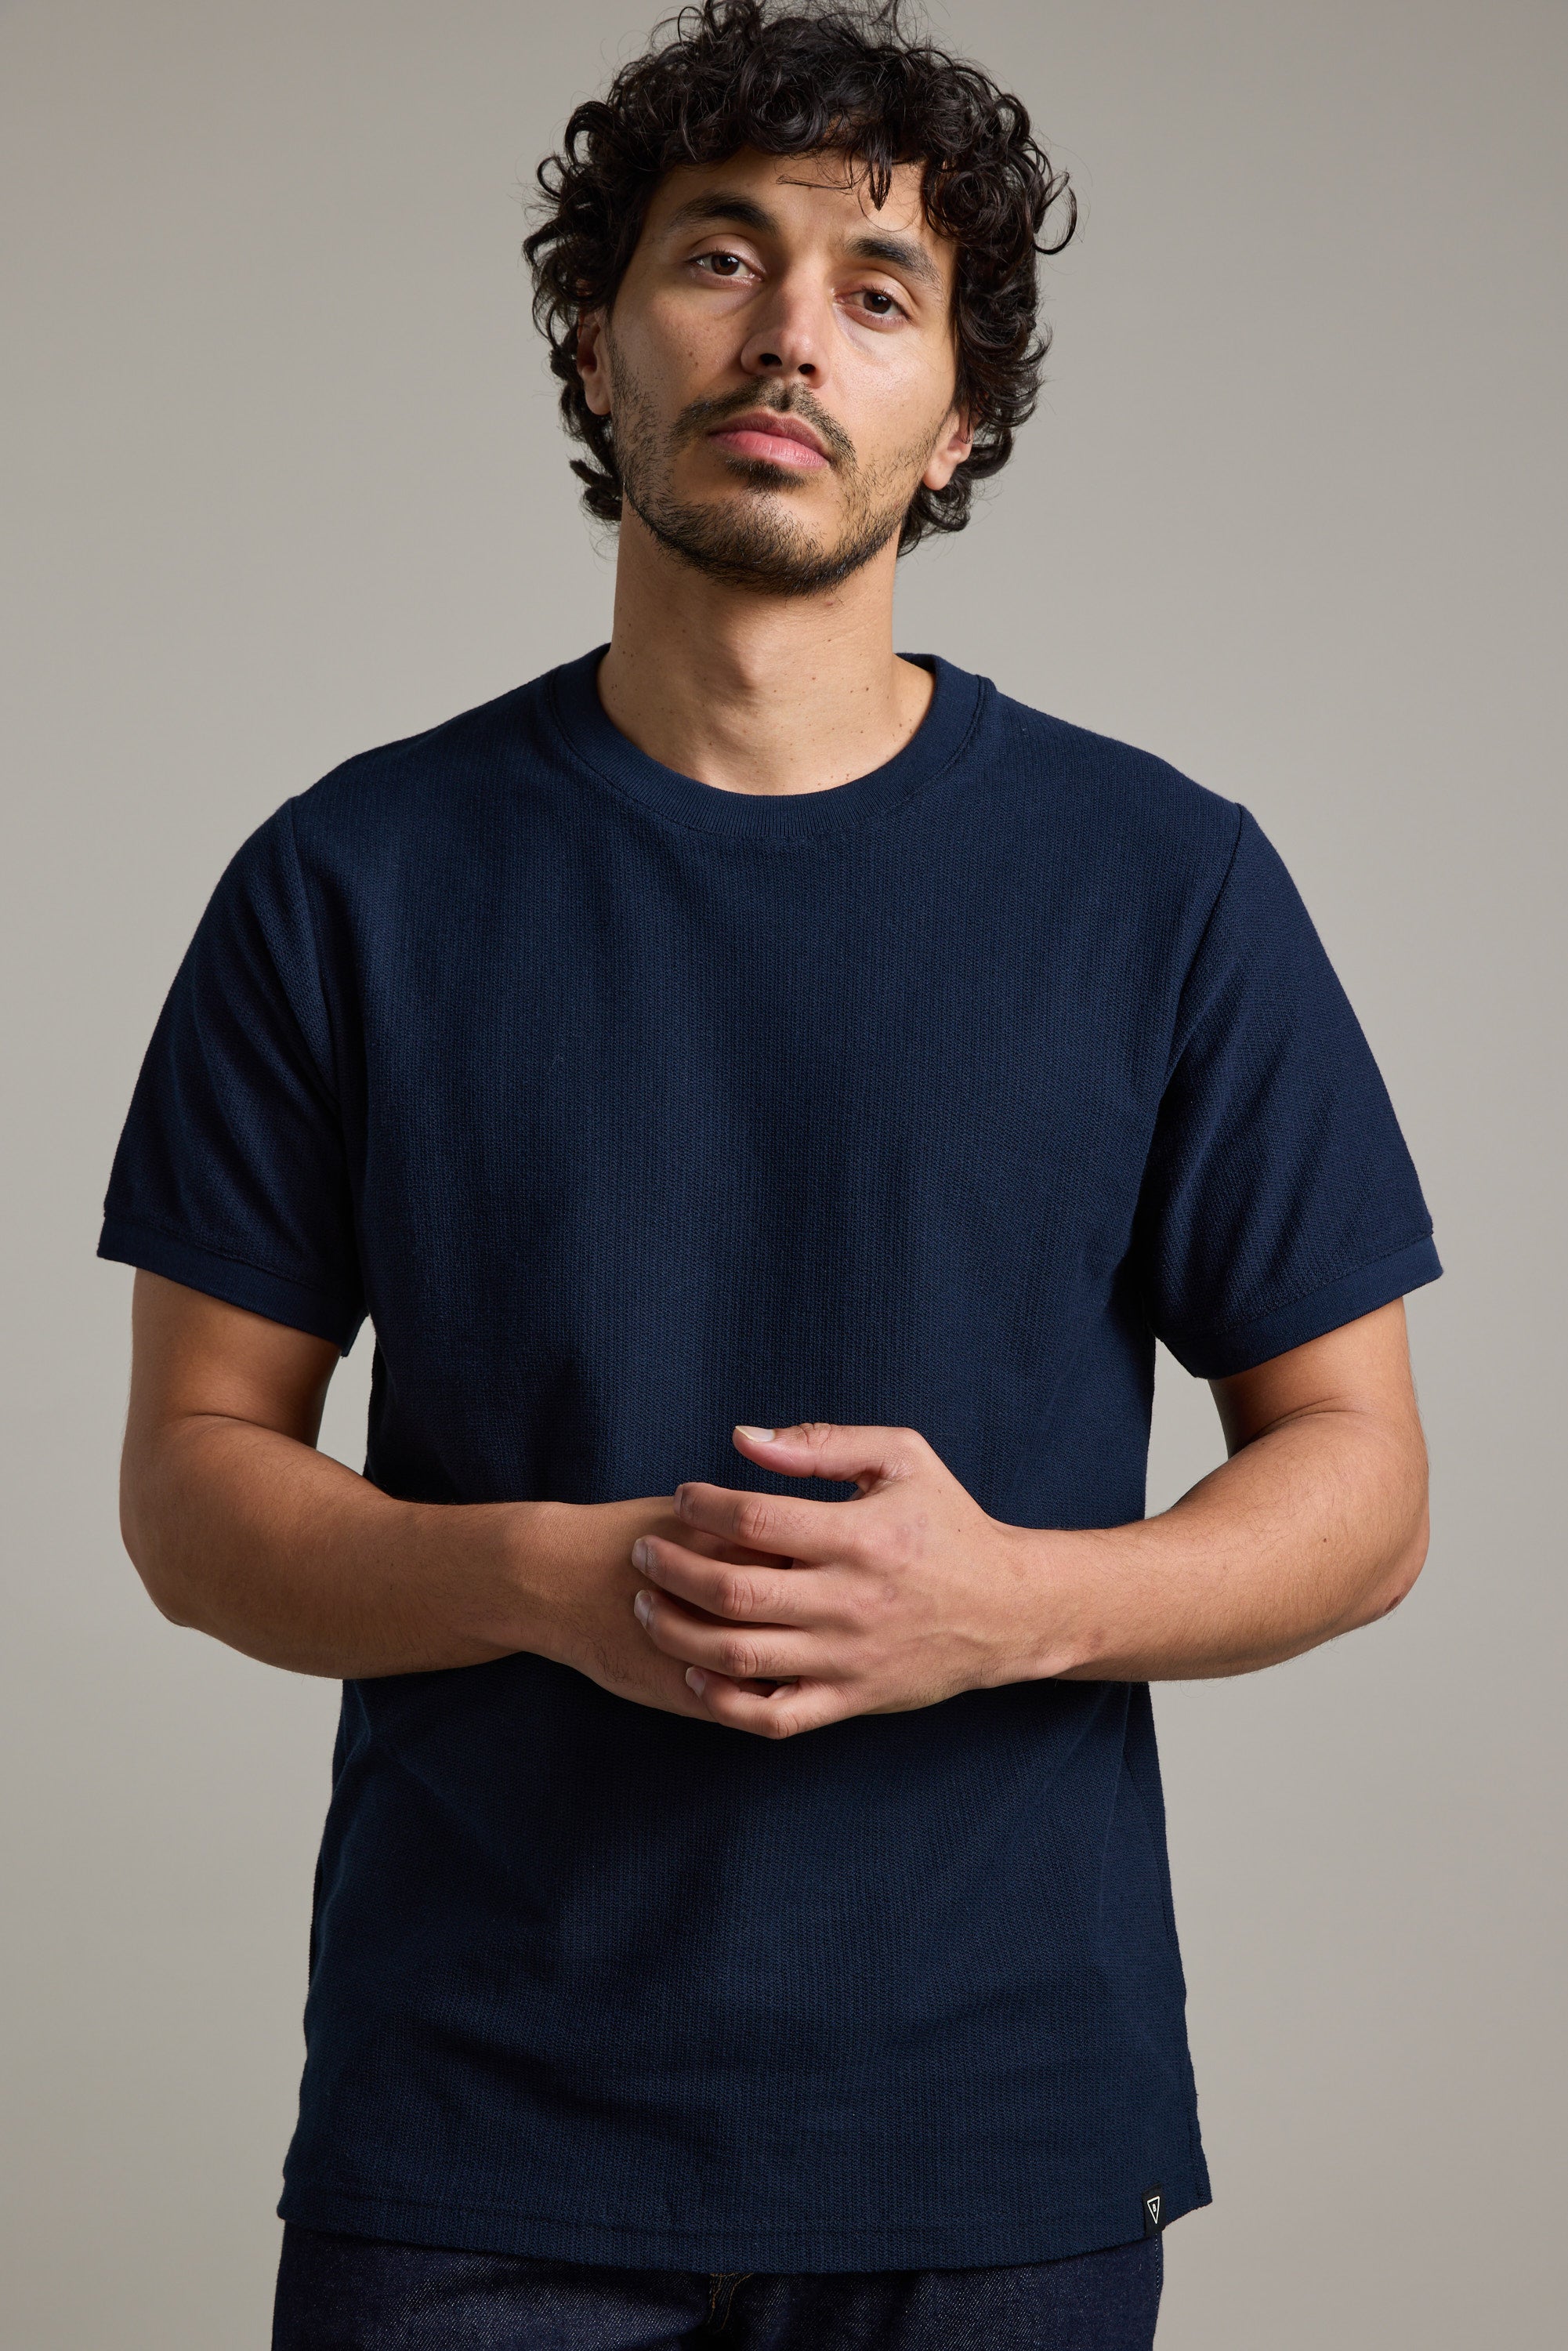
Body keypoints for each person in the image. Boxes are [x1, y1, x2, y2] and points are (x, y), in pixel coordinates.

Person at [99, 4, 1441, 2345]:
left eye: (879, 289)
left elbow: (1362, 1484)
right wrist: (539, 1575)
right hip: (475, 2143)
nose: (791, 333)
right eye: (719, 259)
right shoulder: (351, 880)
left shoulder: (1165, 887)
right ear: (597, 348)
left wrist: (1003, 1602)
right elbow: (192, 1491)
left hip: (997, 2141)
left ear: (959, 423)